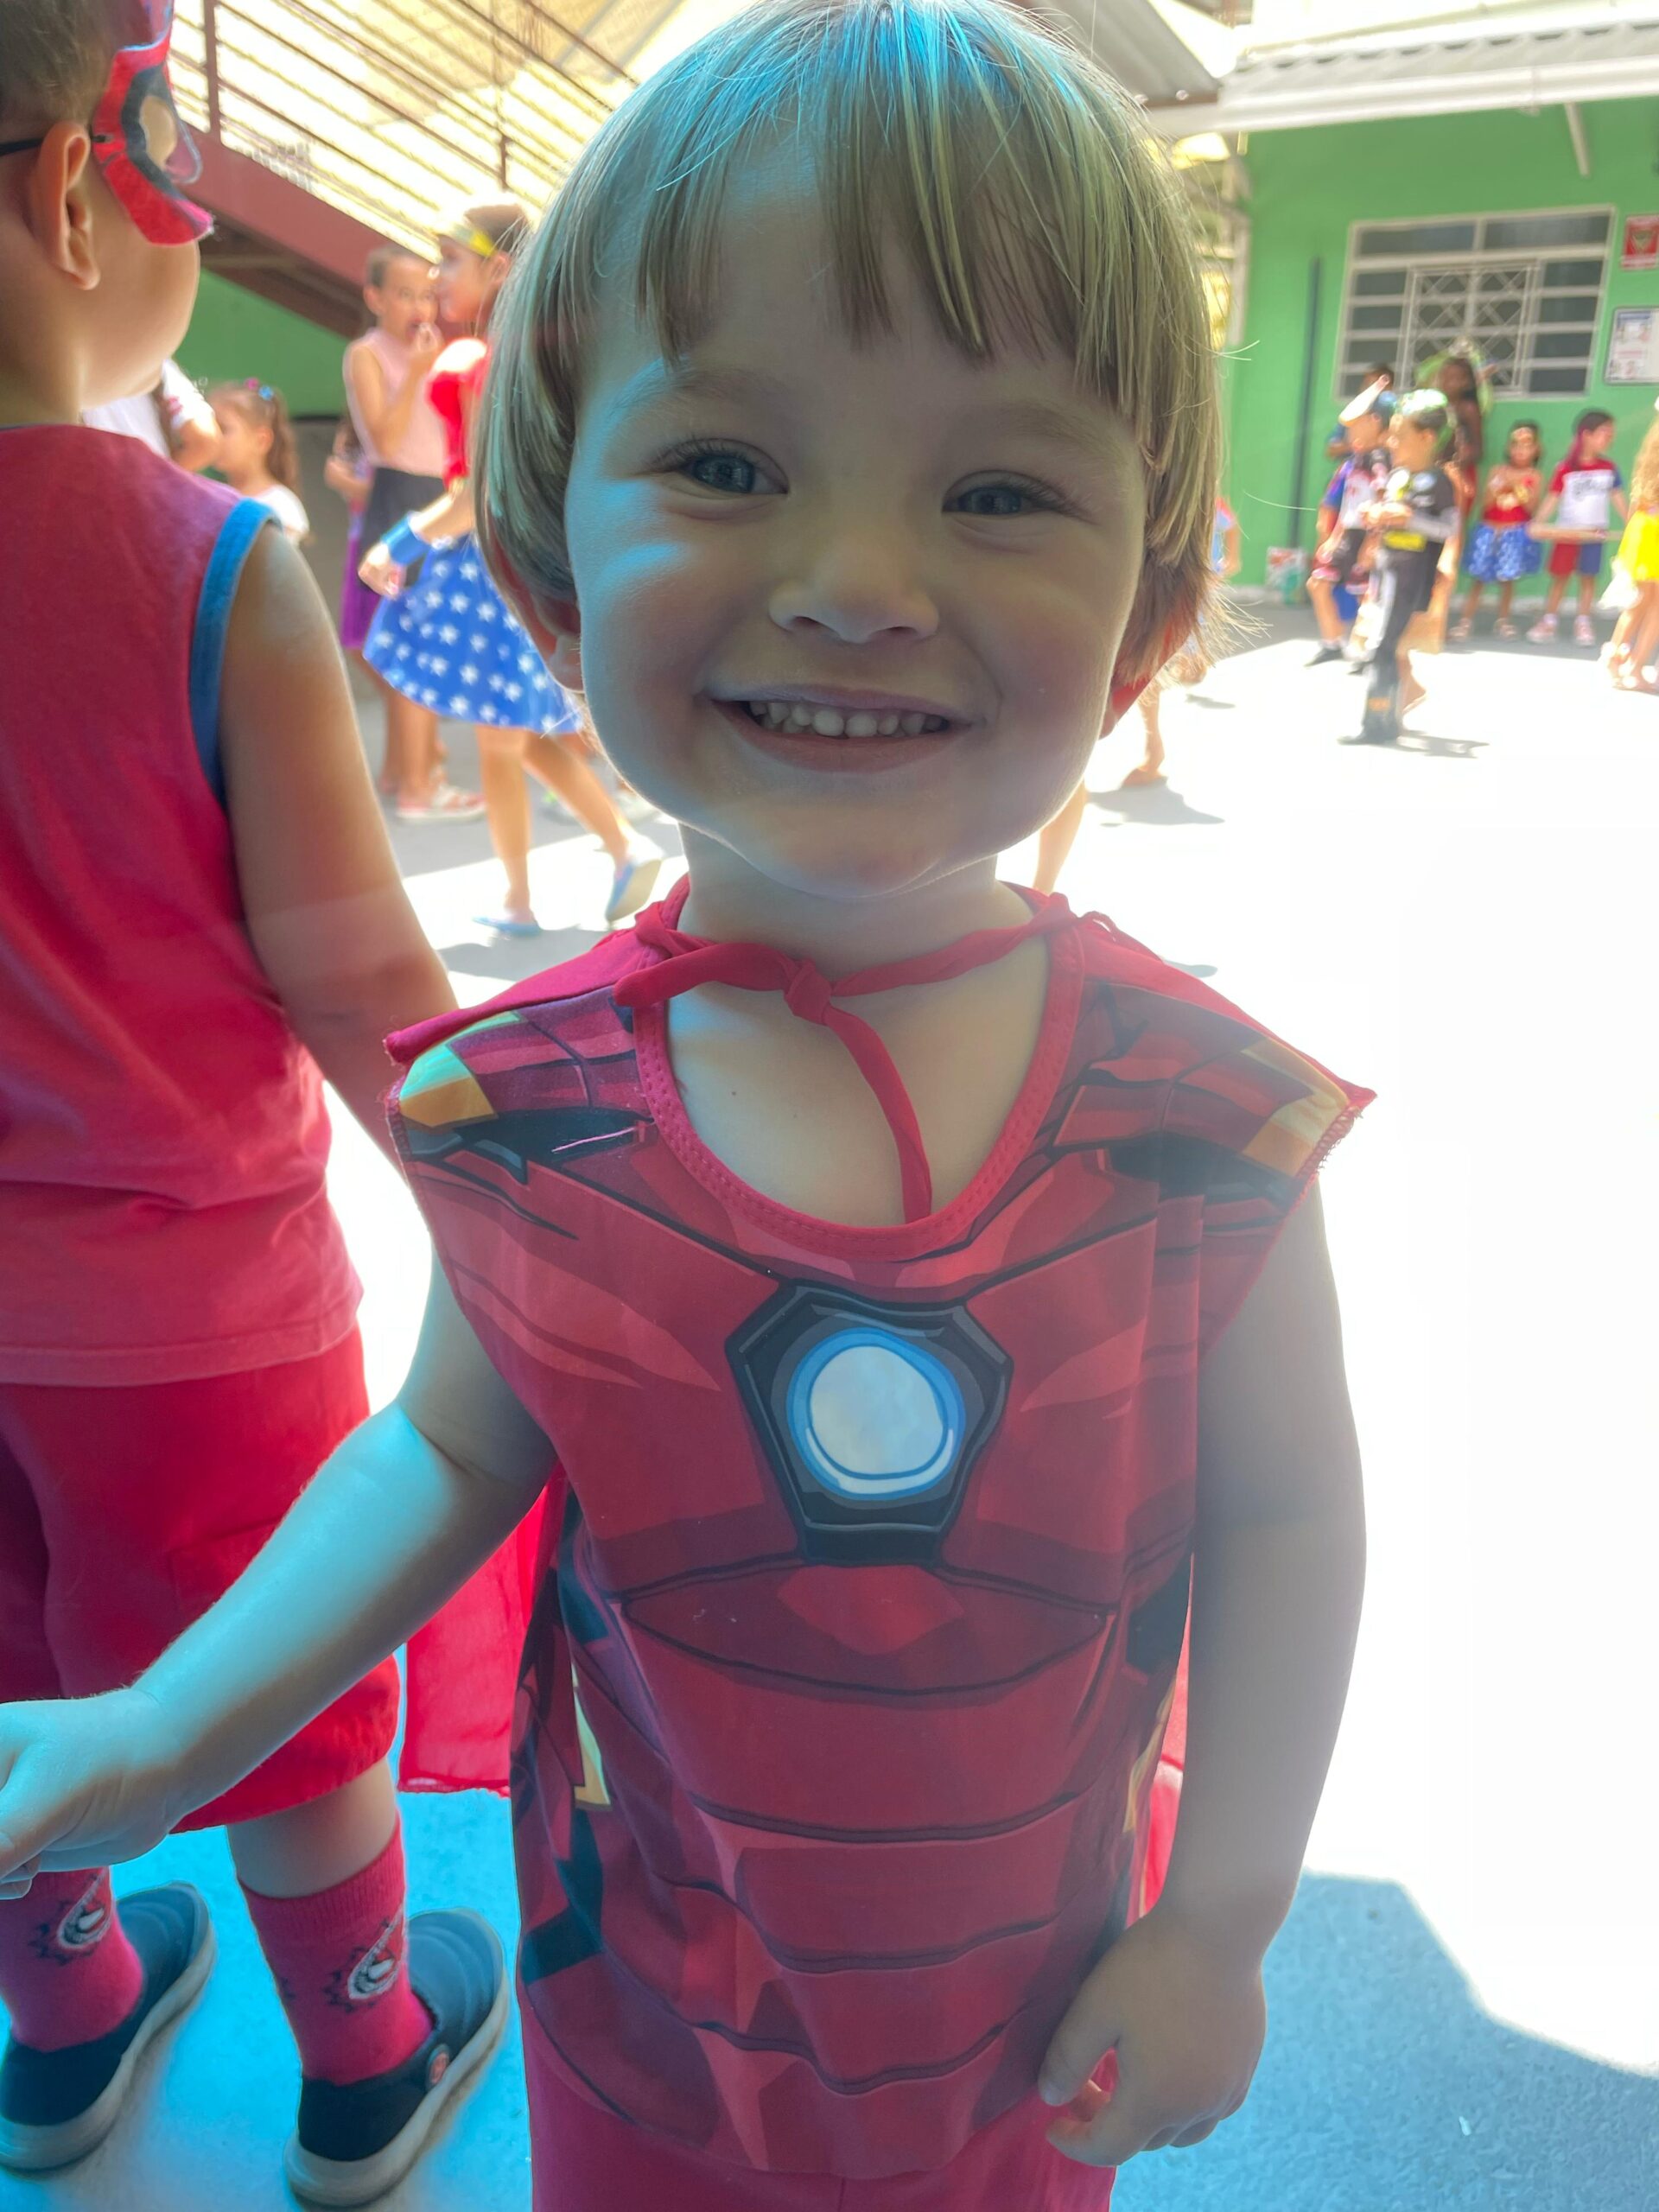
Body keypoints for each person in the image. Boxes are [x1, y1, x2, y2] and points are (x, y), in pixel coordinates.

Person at [0, 7, 1375, 2212]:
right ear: (548, 566)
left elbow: (1287, 1513)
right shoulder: (526, 1106)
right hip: (640, 2022)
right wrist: (169, 1721)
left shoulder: (1200, 1119)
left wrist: (1222, 1918)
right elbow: (445, 1451)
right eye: (729, 464)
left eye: (998, 490)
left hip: (1025, 2048)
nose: (856, 581)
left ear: (1153, 603)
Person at [0, 2, 508, 2198]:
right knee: (282, 1696)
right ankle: (365, 2062)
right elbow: (371, 993)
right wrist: (543, 1216)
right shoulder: (214, 564)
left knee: (10, 1684)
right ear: (77, 186)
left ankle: (65, 2024)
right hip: (189, 1325)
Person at [359, 200, 660, 936]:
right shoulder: (528, 356)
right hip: (521, 560)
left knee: (501, 743)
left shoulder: (487, 363)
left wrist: (399, 543)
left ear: (498, 268)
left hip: (495, 570)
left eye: (451, 260)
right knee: (522, 738)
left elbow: (473, 495)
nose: (437, 276)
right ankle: (623, 848)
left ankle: (522, 899)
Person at [342, 246, 479, 822]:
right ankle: (420, 788)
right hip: (400, 494)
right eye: (404, 295)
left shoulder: (442, 352)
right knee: (408, 645)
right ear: (375, 298)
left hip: (439, 497)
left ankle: (405, 771)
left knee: (414, 642)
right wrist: (421, 372)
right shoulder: (367, 354)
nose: (420, 307)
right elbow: (384, 439)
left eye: (426, 294)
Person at [1351, 389, 1458, 744]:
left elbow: (1448, 528)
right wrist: (1375, 517)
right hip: (1385, 572)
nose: (1391, 442)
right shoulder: (1397, 477)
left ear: (1427, 438)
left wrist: (1409, 519)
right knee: (1384, 648)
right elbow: (1389, 517)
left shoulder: (1440, 482)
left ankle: (1376, 725)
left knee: (1381, 648)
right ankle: (1387, 720)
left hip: (1410, 578)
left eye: (1399, 436)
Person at [1306, 379, 1393, 666]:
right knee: (1318, 583)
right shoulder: (1354, 461)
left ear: (1374, 421)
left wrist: (1373, 541)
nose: (1349, 432)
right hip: (1347, 534)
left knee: (1365, 595)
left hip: (1366, 536)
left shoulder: (1379, 461)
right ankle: (1332, 642)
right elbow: (1348, 503)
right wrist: (1333, 537)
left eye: (1355, 426)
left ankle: (1368, 650)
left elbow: (1383, 501)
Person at [1527, 410, 1629, 647]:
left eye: (1611, 434)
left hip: (1595, 534)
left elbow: (1618, 499)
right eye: (1605, 433)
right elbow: (1552, 498)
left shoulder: (1609, 468)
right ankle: (1549, 621)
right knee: (1560, 578)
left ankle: (1583, 622)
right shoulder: (1565, 468)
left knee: (1588, 579)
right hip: (1567, 533)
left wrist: (1632, 525)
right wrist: (1537, 522)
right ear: (1586, 435)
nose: (1609, 439)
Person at [1452, 421, 1542, 639]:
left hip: (1514, 535)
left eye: (1527, 445)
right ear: (1508, 448)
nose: (1520, 450)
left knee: (1508, 580)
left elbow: (1532, 508)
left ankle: (1503, 621)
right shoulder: (1497, 470)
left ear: (1536, 449)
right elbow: (1486, 503)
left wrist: (1518, 487)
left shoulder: (1534, 476)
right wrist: (1500, 484)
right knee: (1479, 579)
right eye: (1516, 444)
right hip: (1489, 531)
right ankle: (1465, 621)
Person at [208, 378, 308, 542]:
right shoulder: (214, 497)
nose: (214, 436)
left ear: (261, 440)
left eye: (224, 429)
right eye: (211, 427)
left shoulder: (280, 505)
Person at [83, 352, 219, 469]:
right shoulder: (151, 353)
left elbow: (204, 441)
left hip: (91, 482)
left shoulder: (155, 360)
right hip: (144, 485)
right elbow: (204, 443)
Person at [1608, 402, 1659, 691]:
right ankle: (1636, 668)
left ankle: (1615, 657)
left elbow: (1636, 500)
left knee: (1639, 601)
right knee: (1656, 606)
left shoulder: (1651, 449)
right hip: (1655, 530)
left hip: (1642, 527)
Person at [1323, 361, 1394, 462]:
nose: (1370, 389)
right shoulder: (1353, 412)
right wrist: (1356, 444)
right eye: (1367, 383)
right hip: (1356, 467)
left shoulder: (1393, 407)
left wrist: (1376, 442)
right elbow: (1331, 450)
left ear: (1389, 387)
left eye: (1377, 384)